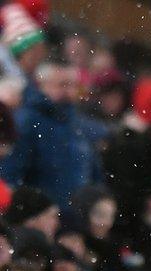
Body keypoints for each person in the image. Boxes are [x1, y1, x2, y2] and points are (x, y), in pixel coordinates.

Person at [0, 61, 103, 207]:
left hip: (76, 216)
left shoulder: (77, 123)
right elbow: (11, 173)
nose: (69, 92)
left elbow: (93, 170)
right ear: (42, 85)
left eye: (73, 85)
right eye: (62, 85)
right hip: (42, 217)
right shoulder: (27, 122)